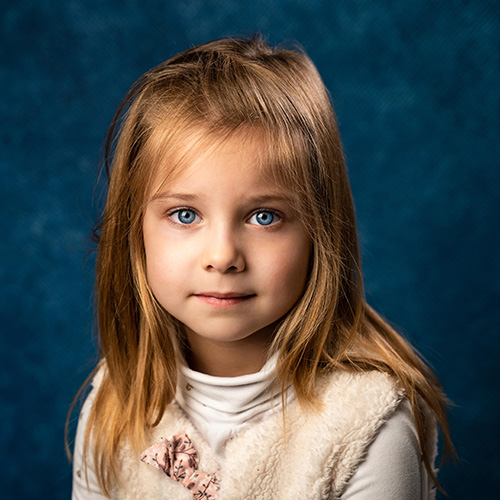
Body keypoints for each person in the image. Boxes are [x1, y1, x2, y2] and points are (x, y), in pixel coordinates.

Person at [69, 35, 453, 500]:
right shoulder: (113, 408)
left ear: (320, 231)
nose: (223, 255)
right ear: (137, 232)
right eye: (185, 215)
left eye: (263, 217)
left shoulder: (368, 428)